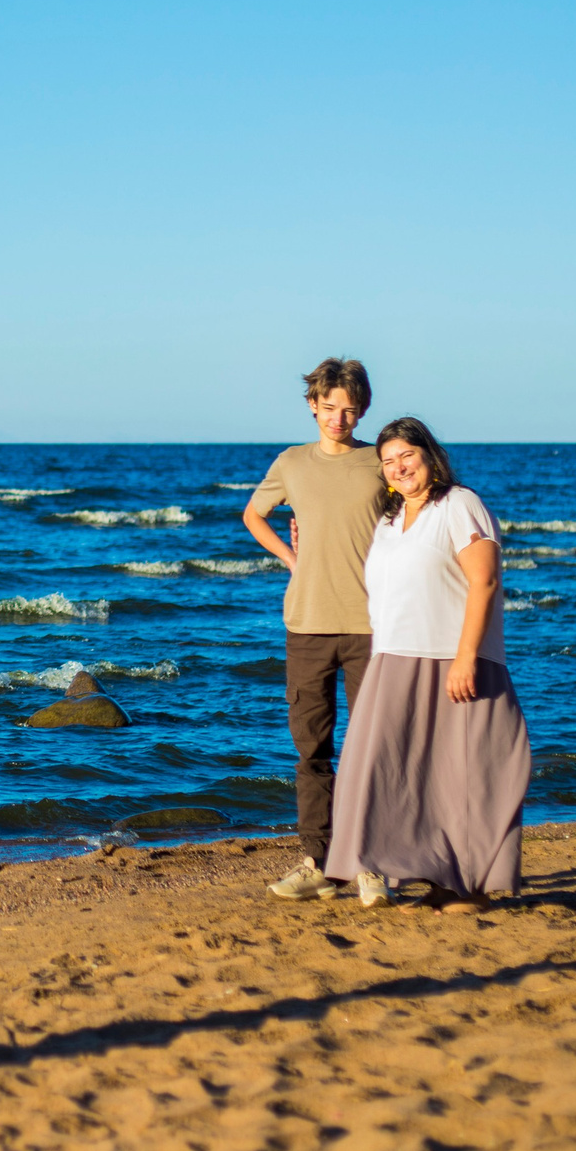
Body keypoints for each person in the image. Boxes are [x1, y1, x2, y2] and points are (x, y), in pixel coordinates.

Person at [324, 417, 532, 912]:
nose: (399, 469)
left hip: (453, 658)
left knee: (466, 775)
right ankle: (430, 874)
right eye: (389, 463)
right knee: (395, 775)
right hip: (394, 657)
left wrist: (465, 658)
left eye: (407, 457)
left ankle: (469, 887)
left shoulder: (459, 504)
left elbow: (483, 582)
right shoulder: (390, 520)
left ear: (428, 455)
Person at [242, 357, 386, 900]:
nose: (339, 419)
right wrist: (291, 558)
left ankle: (372, 863)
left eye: (350, 410)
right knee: (312, 752)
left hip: (372, 626)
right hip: (306, 626)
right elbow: (253, 515)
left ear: (363, 410)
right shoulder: (292, 463)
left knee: (372, 750)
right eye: (329, 408)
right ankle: (321, 863)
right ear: (312, 405)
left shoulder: (378, 462)